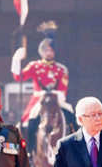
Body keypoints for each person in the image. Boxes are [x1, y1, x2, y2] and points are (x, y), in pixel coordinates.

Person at [10, 21, 75, 151]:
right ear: (41, 51)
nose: (48, 52)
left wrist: (56, 95)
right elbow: (19, 77)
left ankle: (76, 147)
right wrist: (16, 60)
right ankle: (29, 150)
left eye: (51, 50)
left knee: (72, 118)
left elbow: (63, 89)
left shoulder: (62, 69)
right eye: (46, 49)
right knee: (29, 123)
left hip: (57, 99)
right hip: (39, 99)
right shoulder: (35, 66)